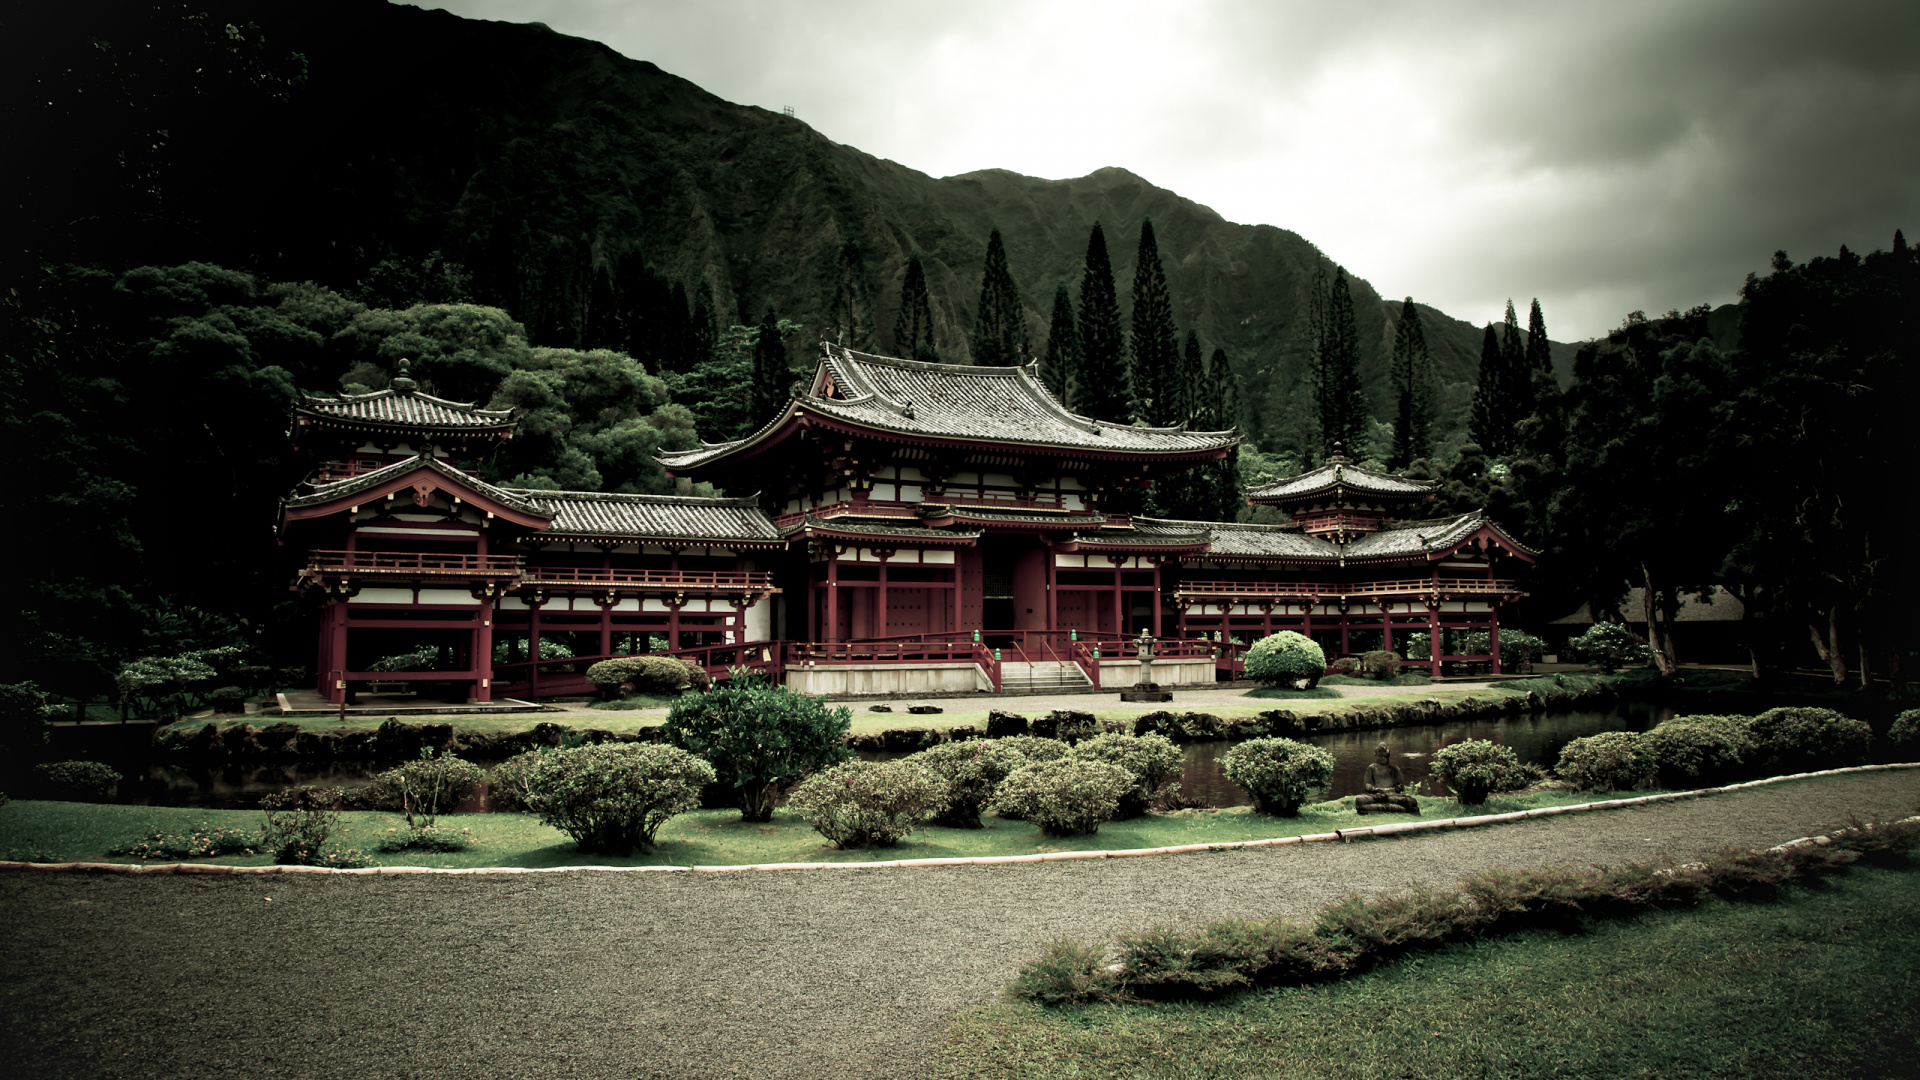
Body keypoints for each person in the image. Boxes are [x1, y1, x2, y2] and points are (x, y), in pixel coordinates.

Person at [1355, 743, 1419, 814]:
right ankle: (1394, 808)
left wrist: (1393, 789)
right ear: (1375, 756)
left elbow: (1401, 785)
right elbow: (1366, 784)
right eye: (1381, 756)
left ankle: (1381, 808)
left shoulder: (1394, 769)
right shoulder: (1372, 768)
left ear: (1389, 756)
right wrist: (1376, 790)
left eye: (1386, 756)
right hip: (1378, 795)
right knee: (1360, 801)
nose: (1383, 758)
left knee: (1411, 801)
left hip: (1392, 795)